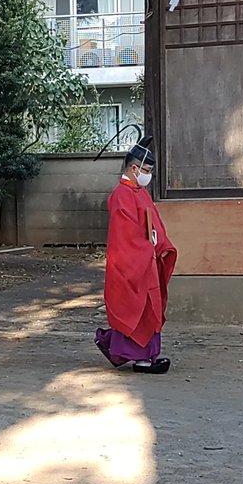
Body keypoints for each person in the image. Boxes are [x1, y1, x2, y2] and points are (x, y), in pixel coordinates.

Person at [95, 137, 176, 374]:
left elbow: (155, 225)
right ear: (134, 168)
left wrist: (161, 245)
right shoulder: (121, 195)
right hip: (133, 262)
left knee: (150, 308)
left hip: (147, 260)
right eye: (146, 171)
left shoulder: (140, 192)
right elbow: (124, 235)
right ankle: (138, 358)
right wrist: (146, 249)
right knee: (135, 308)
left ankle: (146, 356)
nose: (148, 176)